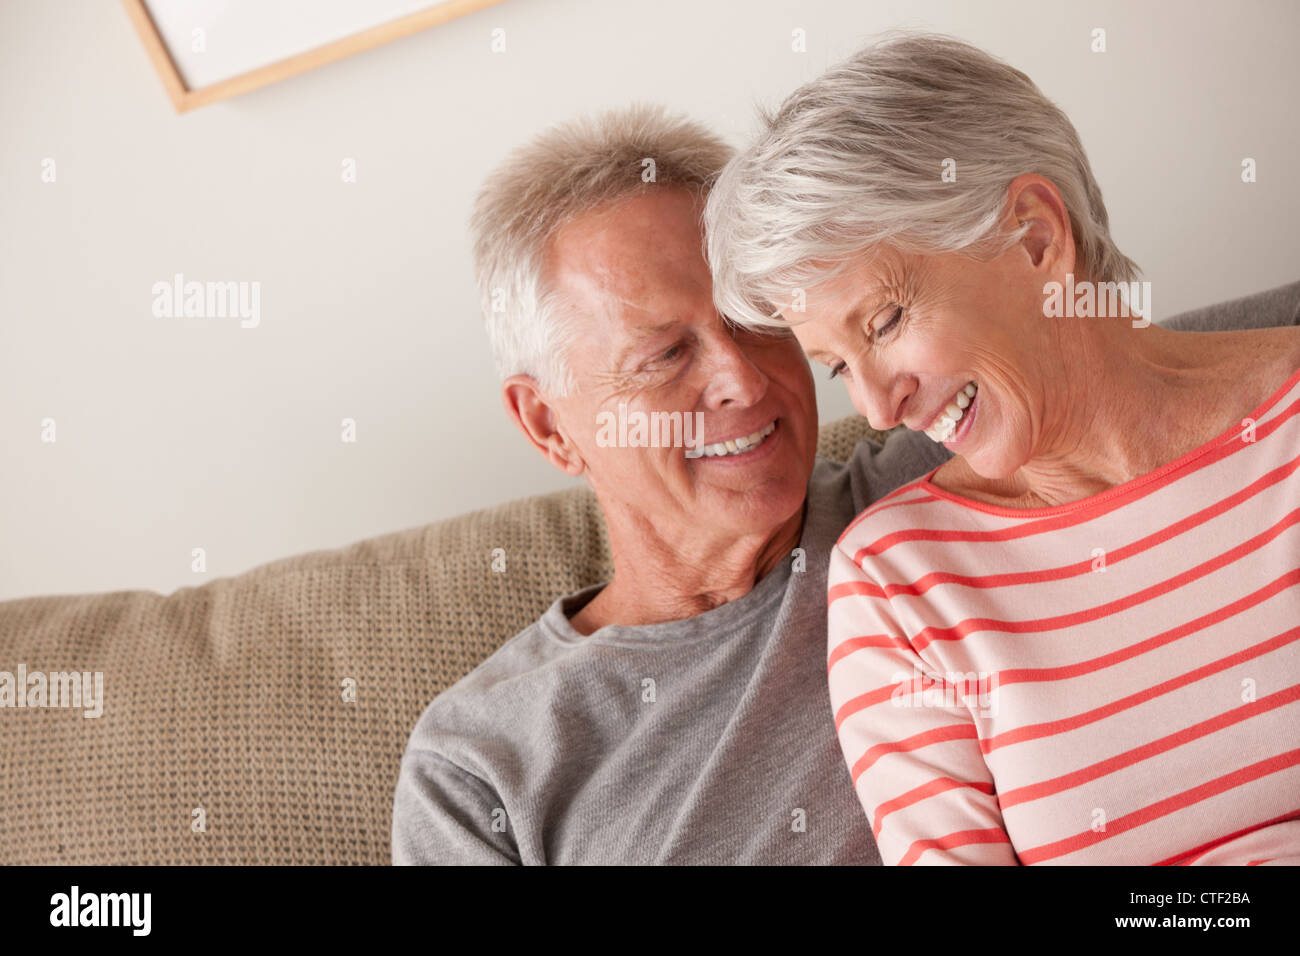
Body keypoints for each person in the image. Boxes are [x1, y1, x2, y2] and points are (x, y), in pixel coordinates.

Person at [392, 102, 1297, 865]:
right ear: (549, 425)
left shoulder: (951, 463)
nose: (744, 382)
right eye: (668, 354)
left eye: (757, 326)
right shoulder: (483, 761)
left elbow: (1169, 374)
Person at [705, 33, 1300, 864]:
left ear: (1035, 239)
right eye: (839, 365)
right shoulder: (900, 582)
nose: (878, 406)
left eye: (885, 322)